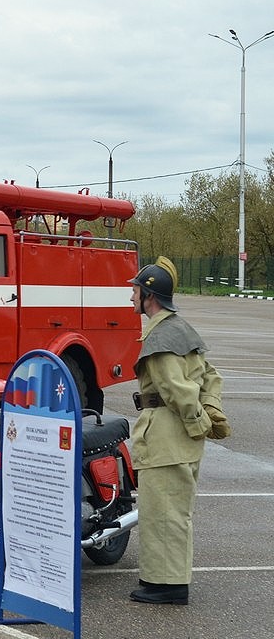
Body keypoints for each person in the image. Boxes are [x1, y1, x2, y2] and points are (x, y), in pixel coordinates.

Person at [127, 256, 230, 606]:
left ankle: (167, 586)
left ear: (149, 297)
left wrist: (197, 421)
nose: (132, 298)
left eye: (135, 292)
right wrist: (210, 414)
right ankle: (163, 579)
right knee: (174, 512)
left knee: (163, 513)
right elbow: (211, 377)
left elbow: (175, 390)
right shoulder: (182, 328)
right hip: (180, 438)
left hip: (165, 436)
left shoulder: (160, 337)